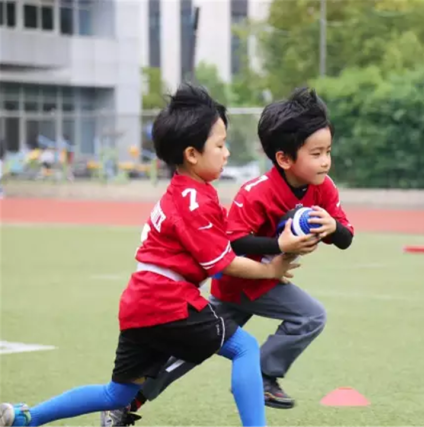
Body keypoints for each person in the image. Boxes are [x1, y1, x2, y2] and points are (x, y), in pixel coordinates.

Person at [0, 83, 299, 427]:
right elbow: (223, 264)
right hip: (168, 302)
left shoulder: (182, 193)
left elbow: (224, 242)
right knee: (244, 348)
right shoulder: (195, 200)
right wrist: (272, 270)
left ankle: (26, 418)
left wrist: (272, 246)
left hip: (140, 304)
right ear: (192, 154)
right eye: (220, 144)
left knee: (118, 395)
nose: (226, 152)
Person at [101, 87, 355, 426]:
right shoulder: (255, 193)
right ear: (284, 158)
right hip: (236, 281)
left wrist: (332, 228)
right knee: (185, 357)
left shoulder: (324, 188)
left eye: (327, 151)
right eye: (316, 153)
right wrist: (282, 246)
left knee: (308, 318)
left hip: (267, 279)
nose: (325, 160)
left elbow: (347, 238)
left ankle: (263, 373)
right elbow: (233, 243)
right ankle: (130, 400)